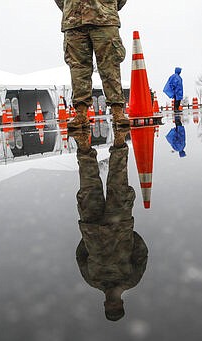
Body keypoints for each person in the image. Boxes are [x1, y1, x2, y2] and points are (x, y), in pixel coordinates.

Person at [71, 127, 148, 321]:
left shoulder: (92, 280)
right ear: (121, 303)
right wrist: (127, 233)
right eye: (116, 305)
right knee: (118, 180)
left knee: (88, 183)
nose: (112, 303)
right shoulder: (131, 280)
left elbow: (81, 256)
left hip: (91, 224)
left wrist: (89, 237)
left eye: (109, 306)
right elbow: (141, 253)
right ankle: (120, 139)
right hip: (120, 222)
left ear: (105, 304)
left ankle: (83, 143)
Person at [54, 0, 129, 130]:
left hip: (104, 18)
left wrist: (107, 6)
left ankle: (118, 110)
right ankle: (81, 113)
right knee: (78, 69)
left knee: (110, 65)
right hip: (74, 20)